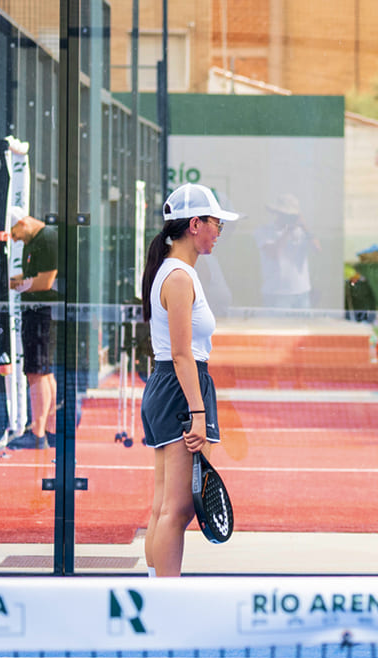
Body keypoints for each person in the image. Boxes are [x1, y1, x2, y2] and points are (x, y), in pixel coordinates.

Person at [139, 183, 239, 577]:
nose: (219, 231)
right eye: (216, 223)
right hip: (181, 390)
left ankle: (155, 593)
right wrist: (197, 413)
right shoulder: (179, 278)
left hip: (171, 387)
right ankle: (166, 600)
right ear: (195, 224)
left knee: (164, 506)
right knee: (177, 510)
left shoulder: (174, 272)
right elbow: (182, 354)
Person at [6, 206, 59, 450]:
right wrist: (19, 280)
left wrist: (17, 284)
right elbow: (34, 276)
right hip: (39, 312)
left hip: (40, 313)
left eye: (14, 232)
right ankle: (48, 429)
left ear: (23, 223)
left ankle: (38, 433)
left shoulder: (46, 239)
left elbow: (45, 280)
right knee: (44, 372)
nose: (14, 238)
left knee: (37, 371)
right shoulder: (37, 239)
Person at [255, 193, 320, 308]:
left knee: (304, 326)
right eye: (286, 215)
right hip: (276, 293)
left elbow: (317, 249)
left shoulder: (302, 232)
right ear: (278, 213)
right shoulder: (264, 231)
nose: (289, 218)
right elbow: (273, 254)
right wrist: (287, 231)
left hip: (302, 292)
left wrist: (305, 227)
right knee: (276, 326)